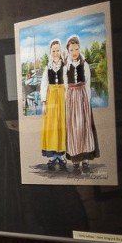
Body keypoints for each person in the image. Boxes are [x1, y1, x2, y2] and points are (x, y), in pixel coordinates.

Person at [64, 35, 99, 173]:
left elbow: (88, 83)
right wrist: (67, 101)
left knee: (84, 128)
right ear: (68, 50)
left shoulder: (85, 65)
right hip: (72, 98)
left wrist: (87, 101)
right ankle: (76, 162)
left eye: (76, 49)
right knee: (74, 129)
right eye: (72, 50)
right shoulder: (65, 66)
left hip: (83, 98)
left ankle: (85, 160)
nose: (74, 52)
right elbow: (65, 85)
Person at [40, 39, 67, 171]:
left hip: (62, 97)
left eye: (57, 50)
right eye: (53, 51)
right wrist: (44, 102)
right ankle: (52, 155)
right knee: (51, 126)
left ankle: (61, 155)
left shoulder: (65, 66)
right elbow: (44, 85)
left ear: (60, 51)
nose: (55, 53)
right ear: (50, 52)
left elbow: (68, 83)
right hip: (51, 97)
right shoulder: (48, 67)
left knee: (61, 125)